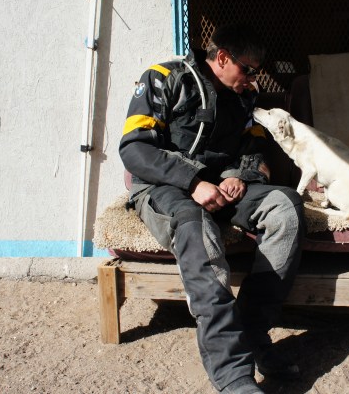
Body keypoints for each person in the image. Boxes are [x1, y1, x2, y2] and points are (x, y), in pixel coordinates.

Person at [119, 23, 305, 393]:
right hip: (166, 187)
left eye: (255, 72)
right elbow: (135, 148)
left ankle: (253, 335)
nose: (252, 79)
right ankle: (233, 375)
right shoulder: (164, 78)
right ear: (221, 57)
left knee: (286, 207)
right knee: (196, 228)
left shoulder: (244, 96)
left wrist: (240, 175)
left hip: (223, 187)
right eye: (247, 69)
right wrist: (192, 182)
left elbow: (254, 147)